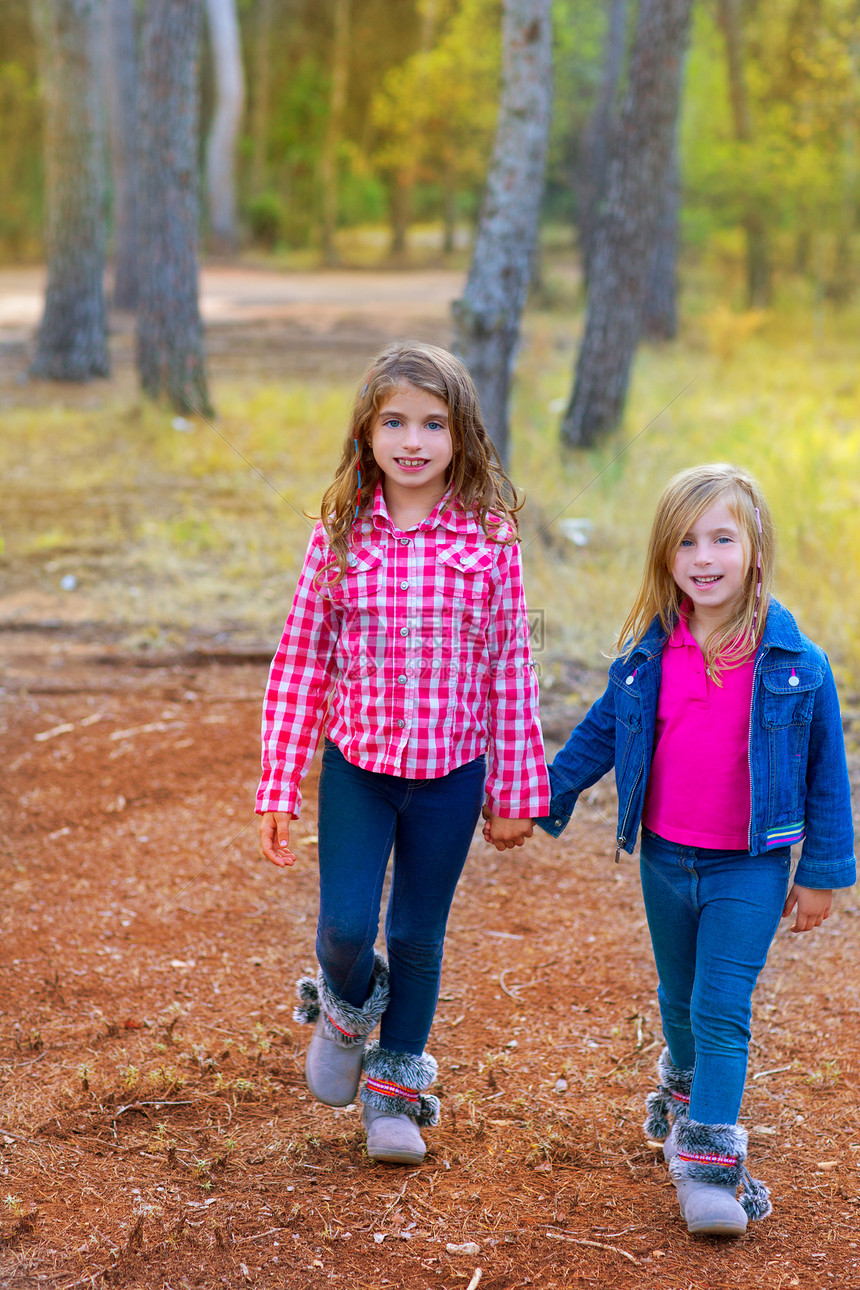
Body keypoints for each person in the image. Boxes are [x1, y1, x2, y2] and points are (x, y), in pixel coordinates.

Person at [532, 463, 855, 1236]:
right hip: (665, 860)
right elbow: (600, 736)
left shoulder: (797, 668)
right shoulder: (649, 659)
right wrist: (537, 798)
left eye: (721, 538)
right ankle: (684, 1096)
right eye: (685, 541)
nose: (703, 556)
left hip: (748, 864)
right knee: (678, 1002)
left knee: (721, 1006)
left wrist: (821, 874)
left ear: (753, 549)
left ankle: (710, 1162)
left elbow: (826, 777)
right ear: (663, 556)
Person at [257, 341, 549, 1166]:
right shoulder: (342, 534)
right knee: (348, 929)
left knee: (418, 934)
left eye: (433, 423)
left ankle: (393, 1098)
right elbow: (302, 658)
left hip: (451, 778)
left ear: (462, 436)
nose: (413, 440)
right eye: (394, 421)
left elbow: (508, 667)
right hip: (359, 768)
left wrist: (517, 787)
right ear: (367, 432)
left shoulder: (490, 541)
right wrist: (278, 782)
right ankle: (349, 1009)